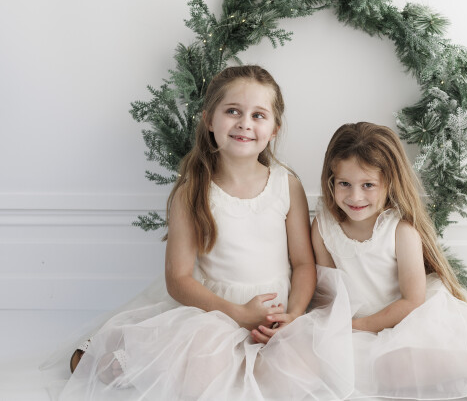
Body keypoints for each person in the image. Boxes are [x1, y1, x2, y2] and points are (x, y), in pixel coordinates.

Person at [59, 66, 352, 401]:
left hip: (276, 315)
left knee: (299, 377)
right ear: (209, 119)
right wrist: (238, 313)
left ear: (274, 130)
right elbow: (179, 278)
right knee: (203, 378)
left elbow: (302, 263)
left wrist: (294, 315)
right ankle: (122, 354)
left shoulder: (287, 185)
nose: (244, 123)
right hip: (216, 314)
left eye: (258, 115)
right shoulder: (193, 191)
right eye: (233, 111)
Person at [309, 122, 467, 401]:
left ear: (389, 183)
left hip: (408, 320)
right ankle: (466, 384)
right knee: (352, 370)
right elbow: (329, 291)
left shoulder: (400, 231)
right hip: (359, 329)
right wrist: (341, 328)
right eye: (344, 184)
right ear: (331, 180)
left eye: (368, 185)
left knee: (392, 367)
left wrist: (361, 325)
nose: (355, 196)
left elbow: (412, 301)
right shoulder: (324, 228)